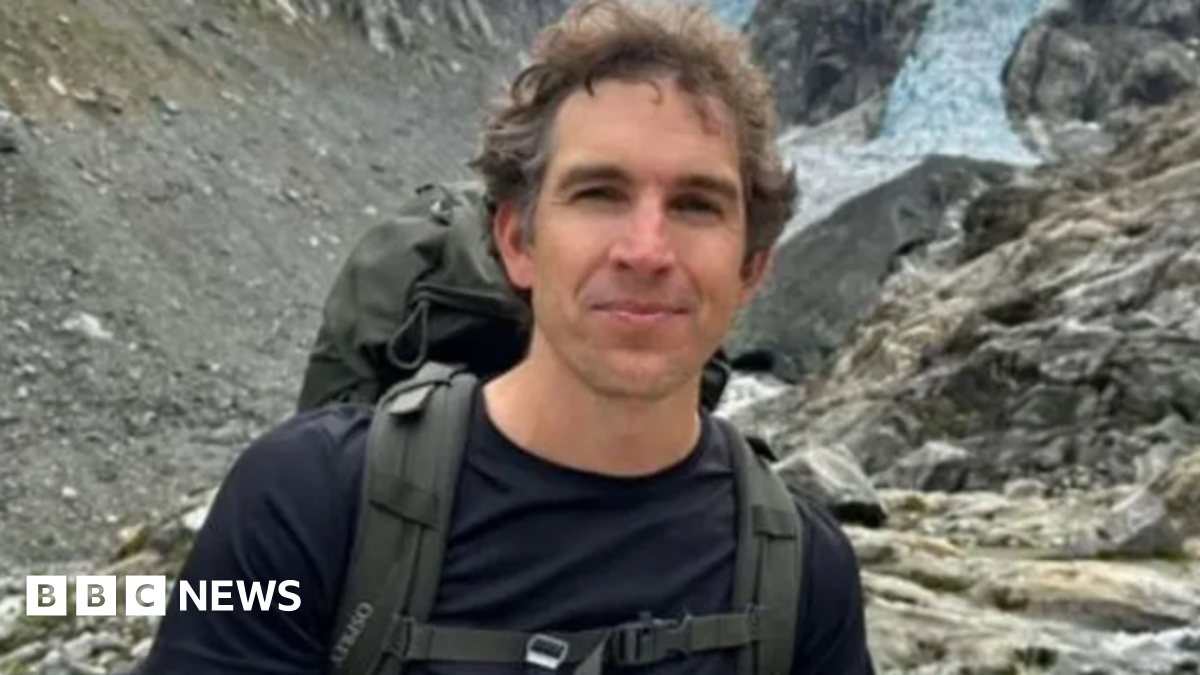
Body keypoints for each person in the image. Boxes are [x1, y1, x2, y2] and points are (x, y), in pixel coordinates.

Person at [137, 0, 875, 673]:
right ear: (517, 240)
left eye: (696, 204)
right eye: (598, 194)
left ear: (751, 265)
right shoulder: (305, 501)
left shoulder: (805, 578)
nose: (646, 250)